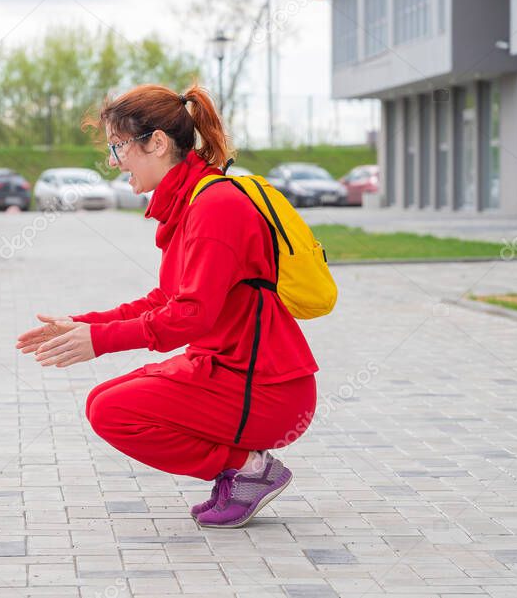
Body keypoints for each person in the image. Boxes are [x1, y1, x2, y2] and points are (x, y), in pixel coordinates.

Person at [16, 84, 318, 528]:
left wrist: (99, 341)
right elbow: (166, 299)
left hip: (267, 388)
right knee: (105, 400)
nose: (114, 162)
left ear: (157, 143)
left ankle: (250, 469)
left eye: (117, 147)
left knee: (113, 412)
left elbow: (192, 314)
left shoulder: (216, 205)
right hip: (229, 370)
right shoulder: (194, 201)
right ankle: (243, 469)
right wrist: (81, 324)